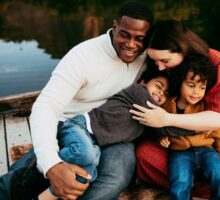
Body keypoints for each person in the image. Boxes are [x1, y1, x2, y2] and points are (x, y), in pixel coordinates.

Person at [0, 2, 154, 200]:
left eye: (140, 38)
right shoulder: (82, 56)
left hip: (114, 131)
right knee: (30, 174)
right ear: (114, 27)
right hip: (70, 125)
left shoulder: (148, 56)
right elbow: (45, 106)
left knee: (117, 176)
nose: (131, 45)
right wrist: (52, 165)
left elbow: (184, 52)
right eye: (125, 34)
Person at [131, 20, 220, 200]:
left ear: (183, 49)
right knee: (144, 156)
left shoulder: (215, 63)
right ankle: (195, 185)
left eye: (165, 61)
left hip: (213, 134)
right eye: (155, 61)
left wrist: (166, 119)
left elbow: (218, 121)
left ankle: (201, 184)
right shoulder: (158, 66)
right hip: (175, 140)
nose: (160, 67)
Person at [39, 67, 170, 200]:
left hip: (96, 141)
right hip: (82, 127)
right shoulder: (139, 92)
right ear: (143, 82)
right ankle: (49, 163)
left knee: (87, 175)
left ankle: (46, 196)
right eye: (158, 86)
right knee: (84, 154)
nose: (161, 92)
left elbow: (156, 130)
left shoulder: (151, 116)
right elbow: (164, 125)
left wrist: (162, 138)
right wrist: (184, 123)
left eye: (166, 94)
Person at [158, 56, 220, 200]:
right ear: (180, 83)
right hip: (180, 153)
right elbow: (162, 128)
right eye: (191, 85)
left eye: (202, 87)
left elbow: (218, 134)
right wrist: (163, 138)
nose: (196, 92)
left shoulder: (205, 107)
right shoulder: (168, 105)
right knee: (180, 182)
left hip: (206, 149)